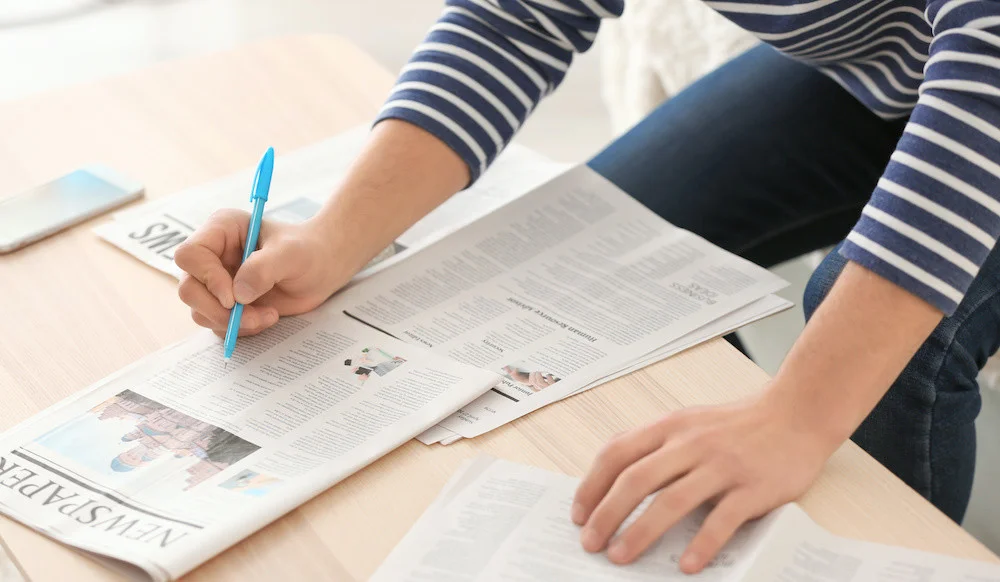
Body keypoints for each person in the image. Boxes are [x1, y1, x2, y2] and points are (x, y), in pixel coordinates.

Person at [174, 0, 1000, 574]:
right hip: (898, 69)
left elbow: (985, 85)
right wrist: (333, 237)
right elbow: (514, 22)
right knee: (604, 239)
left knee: (892, 353)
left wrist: (800, 416)